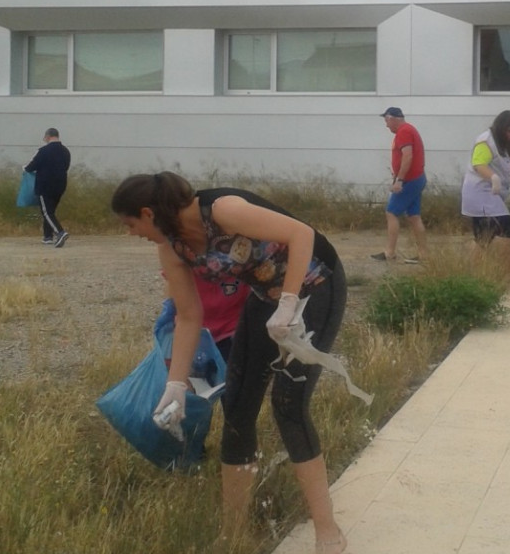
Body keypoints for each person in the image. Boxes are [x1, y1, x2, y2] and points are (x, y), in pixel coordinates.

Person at [112, 172, 349, 554]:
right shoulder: (171, 247)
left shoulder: (223, 210)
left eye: (130, 224)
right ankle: (232, 536)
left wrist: (289, 303)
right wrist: (174, 386)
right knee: (237, 409)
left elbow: (301, 234)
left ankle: (328, 530)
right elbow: (188, 316)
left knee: (287, 405)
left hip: (317, 285)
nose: (130, 233)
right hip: (265, 295)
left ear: (147, 212)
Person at [461, 110, 510, 255]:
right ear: (500, 127)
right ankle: (506, 266)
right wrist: (493, 177)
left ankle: (473, 270)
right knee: (507, 228)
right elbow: (479, 164)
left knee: (484, 237)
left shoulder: (505, 144)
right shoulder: (485, 141)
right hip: (481, 193)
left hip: (491, 194)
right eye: (509, 132)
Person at [370, 106, 429, 263]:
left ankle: (389, 253)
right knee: (414, 217)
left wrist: (399, 180)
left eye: (386, 121)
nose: (386, 125)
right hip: (417, 178)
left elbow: (407, 156)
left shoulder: (404, 131)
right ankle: (423, 254)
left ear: (391, 118)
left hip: (410, 180)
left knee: (391, 212)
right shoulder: (408, 130)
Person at [24, 128, 71, 247]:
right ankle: (47, 236)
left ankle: (60, 232)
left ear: (48, 136)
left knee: (46, 212)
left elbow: (31, 166)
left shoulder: (43, 151)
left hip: (45, 186)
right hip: (60, 185)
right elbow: (66, 167)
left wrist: (24, 168)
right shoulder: (66, 151)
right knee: (51, 211)